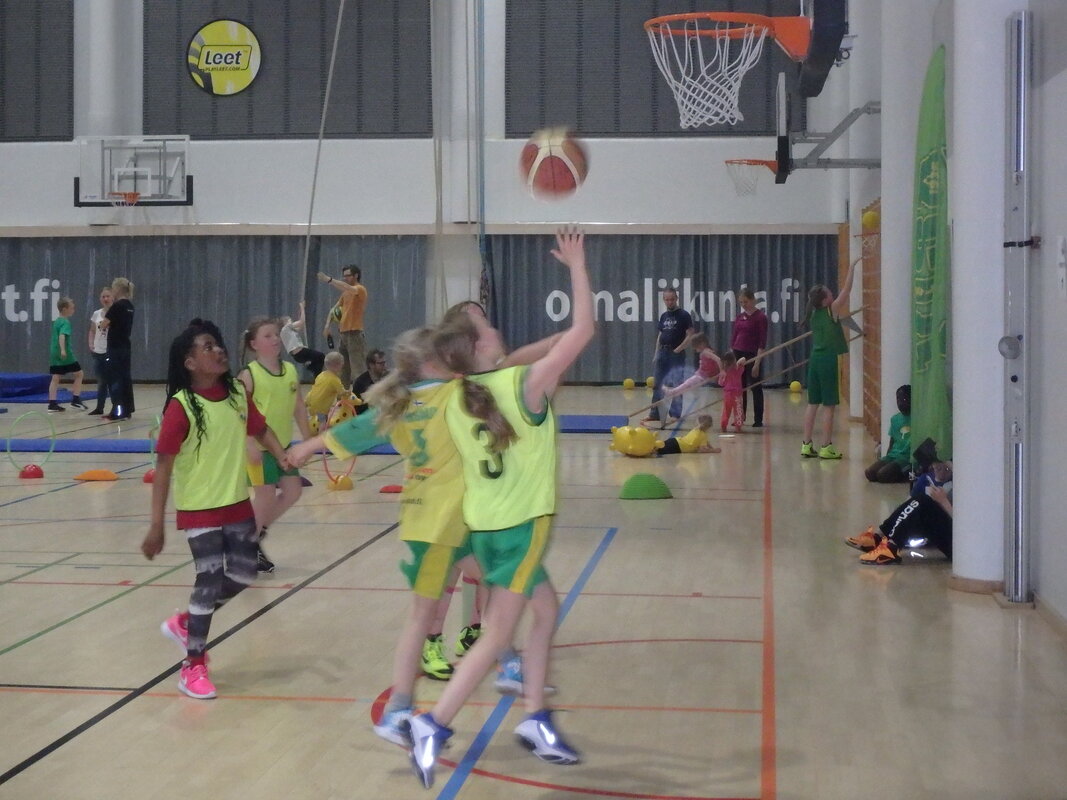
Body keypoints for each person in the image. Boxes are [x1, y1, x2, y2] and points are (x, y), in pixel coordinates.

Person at [408, 227, 593, 788]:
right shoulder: (520, 386)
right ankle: (434, 723)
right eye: (486, 326)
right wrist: (576, 266)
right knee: (496, 634)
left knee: (546, 610)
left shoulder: (458, 397)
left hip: (485, 531)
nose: (495, 327)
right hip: (518, 530)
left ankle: (535, 716)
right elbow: (584, 330)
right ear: (480, 347)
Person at [286, 327, 489, 744]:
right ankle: (398, 709)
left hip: (434, 519)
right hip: (439, 523)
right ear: (433, 362)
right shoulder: (454, 395)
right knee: (425, 616)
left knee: (499, 582)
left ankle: (507, 659)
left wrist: (308, 446)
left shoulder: (402, 404)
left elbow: (357, 430)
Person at [142, 319, 289, 699]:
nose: (219, 350)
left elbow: (260, 428)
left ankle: (187, 622)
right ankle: (193, 666)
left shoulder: (237, 393)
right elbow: (163, 469)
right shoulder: (182, 407)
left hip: (236, 503)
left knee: (244, 572)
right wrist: (156, 525)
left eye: (218, 344)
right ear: (190, 362)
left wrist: (281, 455)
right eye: (208, 347)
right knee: (208, 580)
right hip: (199, 509)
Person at [237, 318, 313, 574]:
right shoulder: (249, 375)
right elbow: (240, 413)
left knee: (293, 491)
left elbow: (299, 406)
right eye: (267, 336)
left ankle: (253, 535)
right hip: (259, 447)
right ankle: (246, 545)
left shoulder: (290, 371)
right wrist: (249, 443)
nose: (275, 339)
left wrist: (308, 440)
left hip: (284, 446)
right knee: (266, 497)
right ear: (254, 344)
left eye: (276, 335)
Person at [800, 256, 859, 459]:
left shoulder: (813, 313)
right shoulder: (831, 310)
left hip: (815, 359)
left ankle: (806, 444)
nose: (833, 294)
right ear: (825, 300)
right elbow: (847, 290)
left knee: (812, 404)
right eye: (829, 293)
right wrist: (852, 267)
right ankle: (826, 446)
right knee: (829, 406)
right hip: (828, 360)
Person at [847, 461, 953, 564]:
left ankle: (891, 548)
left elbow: (961, 526)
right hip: (952, 534)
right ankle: (879, 537)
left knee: (923, 502)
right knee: (920, 500)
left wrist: (943, 501)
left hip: (959, 546)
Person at [642, 288, 694, 429]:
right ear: (664, 300)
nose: (669, 302)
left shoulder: (684, 315)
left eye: (672, 299)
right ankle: (655, 413)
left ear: (676, 298)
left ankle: (675, 414)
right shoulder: (664, 316)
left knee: (677, 384)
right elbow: (661, 335)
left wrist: (680, 348)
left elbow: (690, 334)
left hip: (676, 354)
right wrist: (656, 352)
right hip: (663, 352)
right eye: (667, 299)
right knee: (658, 383)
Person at [318, 265, 368, 387]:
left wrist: (329, 280)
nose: (345, 278)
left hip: (355, 334)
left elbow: (347, 287)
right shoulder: (345, 294)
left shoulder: (359, 289)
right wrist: (327, 326)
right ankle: (343, 395)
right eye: (344, 276)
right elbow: (333, 309)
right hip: (343, 334)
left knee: (358, 368)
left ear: (356, 276)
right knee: (343, 369)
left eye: (348, 275)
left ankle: (361, 395)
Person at [731, 288, 768, 427]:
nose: (743, 305)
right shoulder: (739, 317)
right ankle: (740, 416)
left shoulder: (760, 317)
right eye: (741, 302)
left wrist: (757, 364)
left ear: (753, 300)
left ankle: (758, 419)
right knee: (739, 387)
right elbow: (734, 338)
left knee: (755, 387)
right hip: (738, 353)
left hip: (752, 355)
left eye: (745, 302)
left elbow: (762, 342)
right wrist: (732, 358)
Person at [100, 277, 135, 421]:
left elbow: (104, 324)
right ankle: (127, 409)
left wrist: (102, 324)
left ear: (118, 289)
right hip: (125, 346)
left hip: (115, 347)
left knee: (114, 378)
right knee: (125, 377)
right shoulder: (130, 306)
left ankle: (117, 410)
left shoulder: (117, 306)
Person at [865, 385, 912, 483]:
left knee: (883, 475)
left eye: (904, 399)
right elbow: (892, 440)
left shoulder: (917, 419)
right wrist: (886, 459)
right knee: (870, 473)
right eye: (898, 399)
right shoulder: (895, 419)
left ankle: (906, 474)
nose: (900, 403)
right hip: (893, 455)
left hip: (905, 458)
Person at [47, 297, 85, 412]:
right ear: (64, 309)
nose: (73, 310)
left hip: (54, 353)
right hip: (65, 354)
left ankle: (52, 403)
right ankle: (76, 399)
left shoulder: (57, 321)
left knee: (55, 377)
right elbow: (62, 336)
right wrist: (63, 350)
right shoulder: (65, 322)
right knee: (79, 374)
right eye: (71, 308)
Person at [660, 332, 721, 403]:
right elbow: (716, 361)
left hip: (702, 376)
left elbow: (718, 360)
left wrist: (721, 371)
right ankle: (676, 392)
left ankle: (672, 392)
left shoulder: (706, 352)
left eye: (696, 347)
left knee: (687, 383)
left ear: (702, 344)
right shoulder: (708, 351)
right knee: (689, 383)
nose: (695, 349)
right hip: (704, 375)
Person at [280, 301, 325, 378]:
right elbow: (301, 322)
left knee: (318, 360)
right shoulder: (286, 328)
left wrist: (301, 312)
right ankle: (313, 371)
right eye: (290, 320)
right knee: (321, 356)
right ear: (285, 322)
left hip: (298, 355)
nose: (292, 321)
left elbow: (300, 326)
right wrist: (302, 308)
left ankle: (314, 373)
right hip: (300, 352)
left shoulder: (287, 331)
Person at [87, 286, 112, 415]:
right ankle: (99, 407)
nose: (105, 299)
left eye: (108, 296)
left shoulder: (115, 312)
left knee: (112, 380)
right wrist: (91, 343)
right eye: (103, 296)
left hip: (110, 351)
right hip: (98, 352)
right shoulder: (96, 313)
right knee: (101, 381)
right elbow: (92, 330)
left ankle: (116, 407)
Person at [304, 351, 348, 427]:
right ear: (338, 366)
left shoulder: (321, 375)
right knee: (323, 423)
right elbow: (342, 392)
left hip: (310, 400)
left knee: (317, 420)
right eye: (342, 364)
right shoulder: (335, 380)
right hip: (321, 406)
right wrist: (348, 392)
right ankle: (322, 433)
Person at [717, 350, 747, 433]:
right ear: (734, 360)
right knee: (738, 411)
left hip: (727, 394)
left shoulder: (724, 372)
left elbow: (721, 383)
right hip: (737, 395)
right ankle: (738, 427)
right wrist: (738, 362)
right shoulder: (738, 369)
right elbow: (744, 359)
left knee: (726, 411)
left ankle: (723, 426)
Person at [351, 349, 387, 413]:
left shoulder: (387, 376)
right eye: (381, 363)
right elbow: (358, 408)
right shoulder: (361, 383)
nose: (385, 366)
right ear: (371, 365)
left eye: (384, 363)